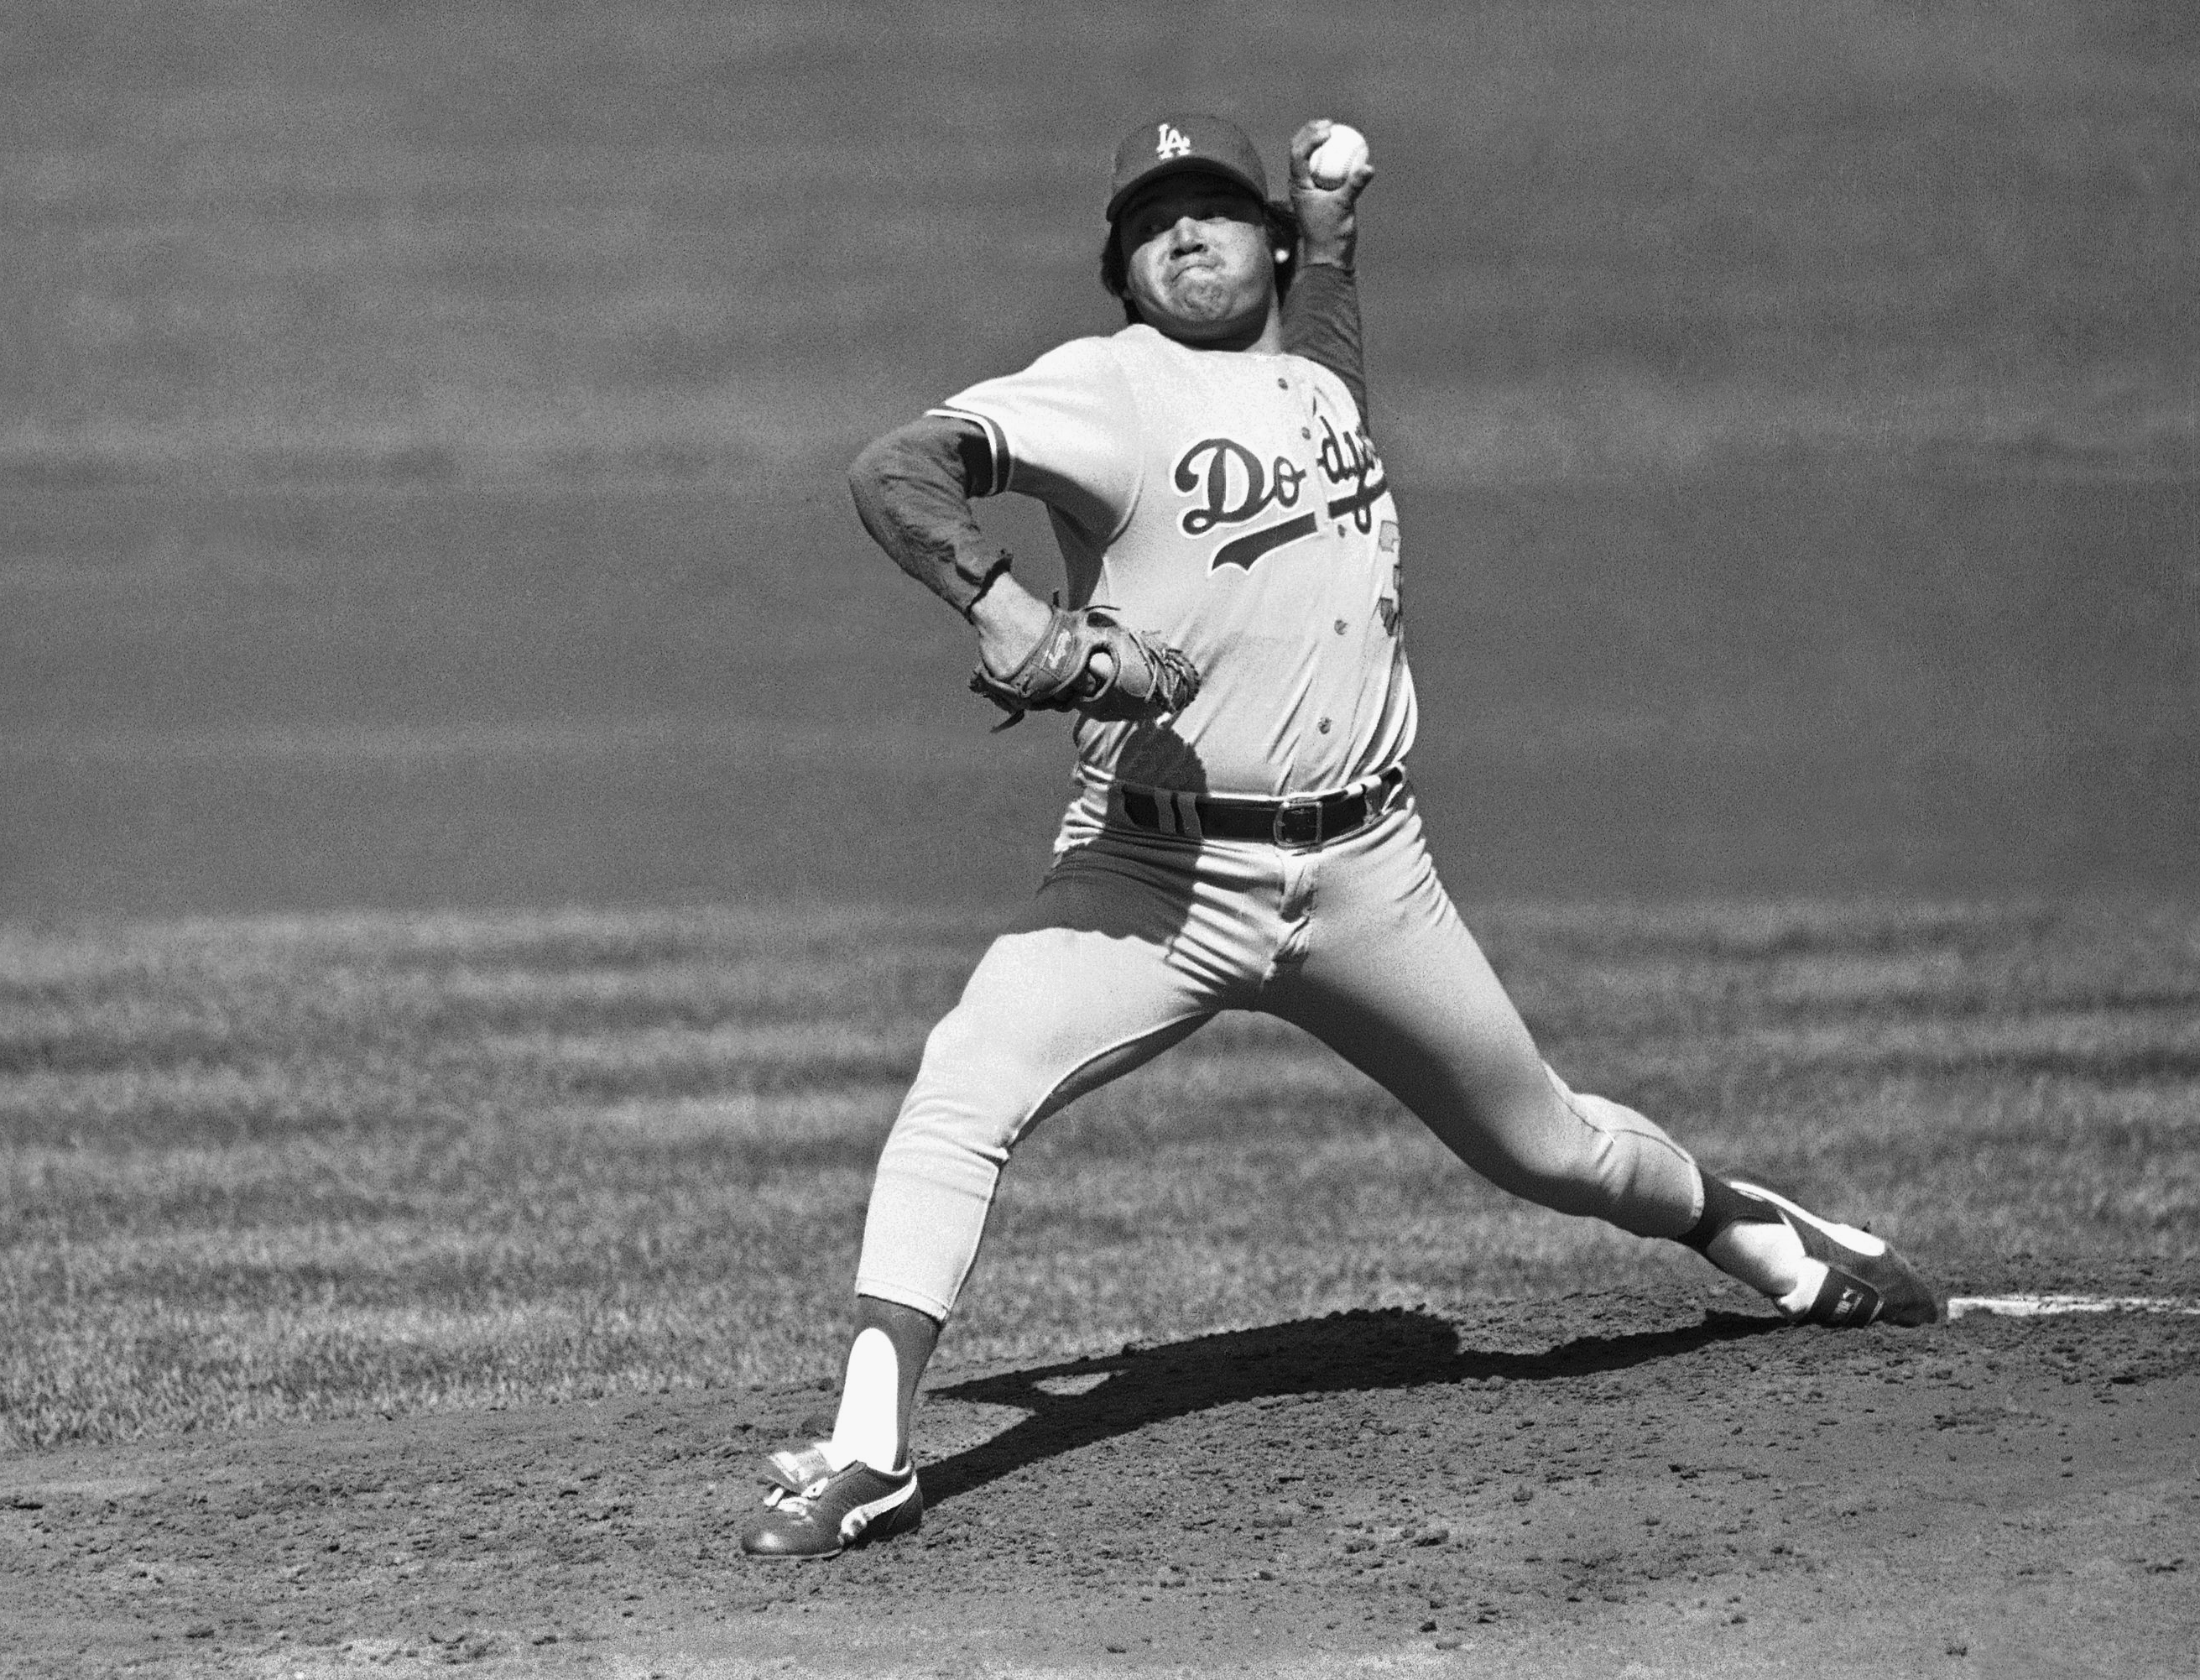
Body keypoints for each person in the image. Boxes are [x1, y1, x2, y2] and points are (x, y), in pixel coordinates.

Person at [738, 113, 1939, 1562]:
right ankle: (872, 1449)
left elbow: (1328, 377)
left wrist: (1337, 232)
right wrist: (1017, 617)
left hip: (1374, 875)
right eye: (1152, 222)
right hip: (1154, 874)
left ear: (1275, 247)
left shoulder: (1313, 379)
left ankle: (1757, 1234)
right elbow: (895, 471)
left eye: (1216, 213)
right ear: (1118, 264)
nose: (1185, 236)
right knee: (962, 1084)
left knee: (1544, 1143)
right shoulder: (1100, 391)